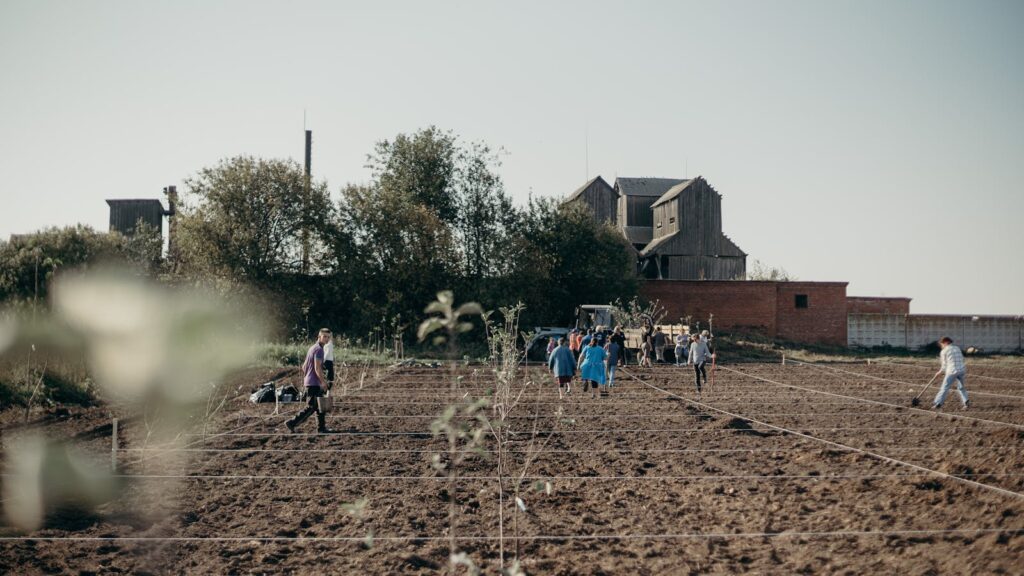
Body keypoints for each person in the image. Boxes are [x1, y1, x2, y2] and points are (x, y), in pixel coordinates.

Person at [286, 328, 334, 434]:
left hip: (311, 381)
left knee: (319, 406)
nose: (326, 339)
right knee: (311, 406)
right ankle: (292, 423)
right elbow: (317, 368)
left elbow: (304, 366)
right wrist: (323, 382)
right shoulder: (319, 350)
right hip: (314, 383)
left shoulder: (312, 348)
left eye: (328, 337)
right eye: (324, 336)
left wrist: (308, 376)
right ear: (319, 336)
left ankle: (321, 428)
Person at [933, 336, 970, 410]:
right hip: (962, 370)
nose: (941, 346)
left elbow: (944, 366)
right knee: (961, 387)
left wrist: (939, 372)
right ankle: (966, 402)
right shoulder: (957, 348)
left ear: (945, 342)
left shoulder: (944, 351)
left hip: (952, 371)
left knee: (944, 388)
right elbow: (962, 359)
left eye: (942, 344)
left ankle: (938, 403)